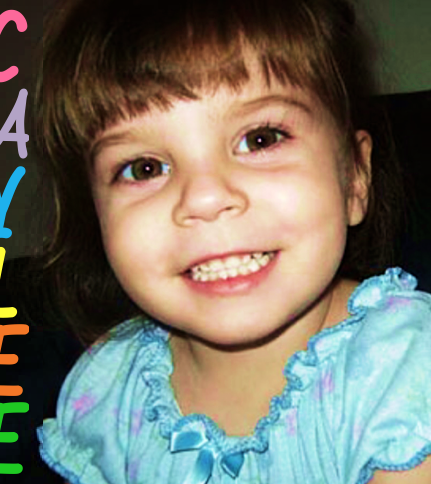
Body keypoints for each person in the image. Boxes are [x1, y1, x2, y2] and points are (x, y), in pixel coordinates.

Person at [36, 0, 431, 482]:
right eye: (144, 168)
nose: (204, 198)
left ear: (355, 177)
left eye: (261, 139)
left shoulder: (406, 374)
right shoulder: (106, 395)